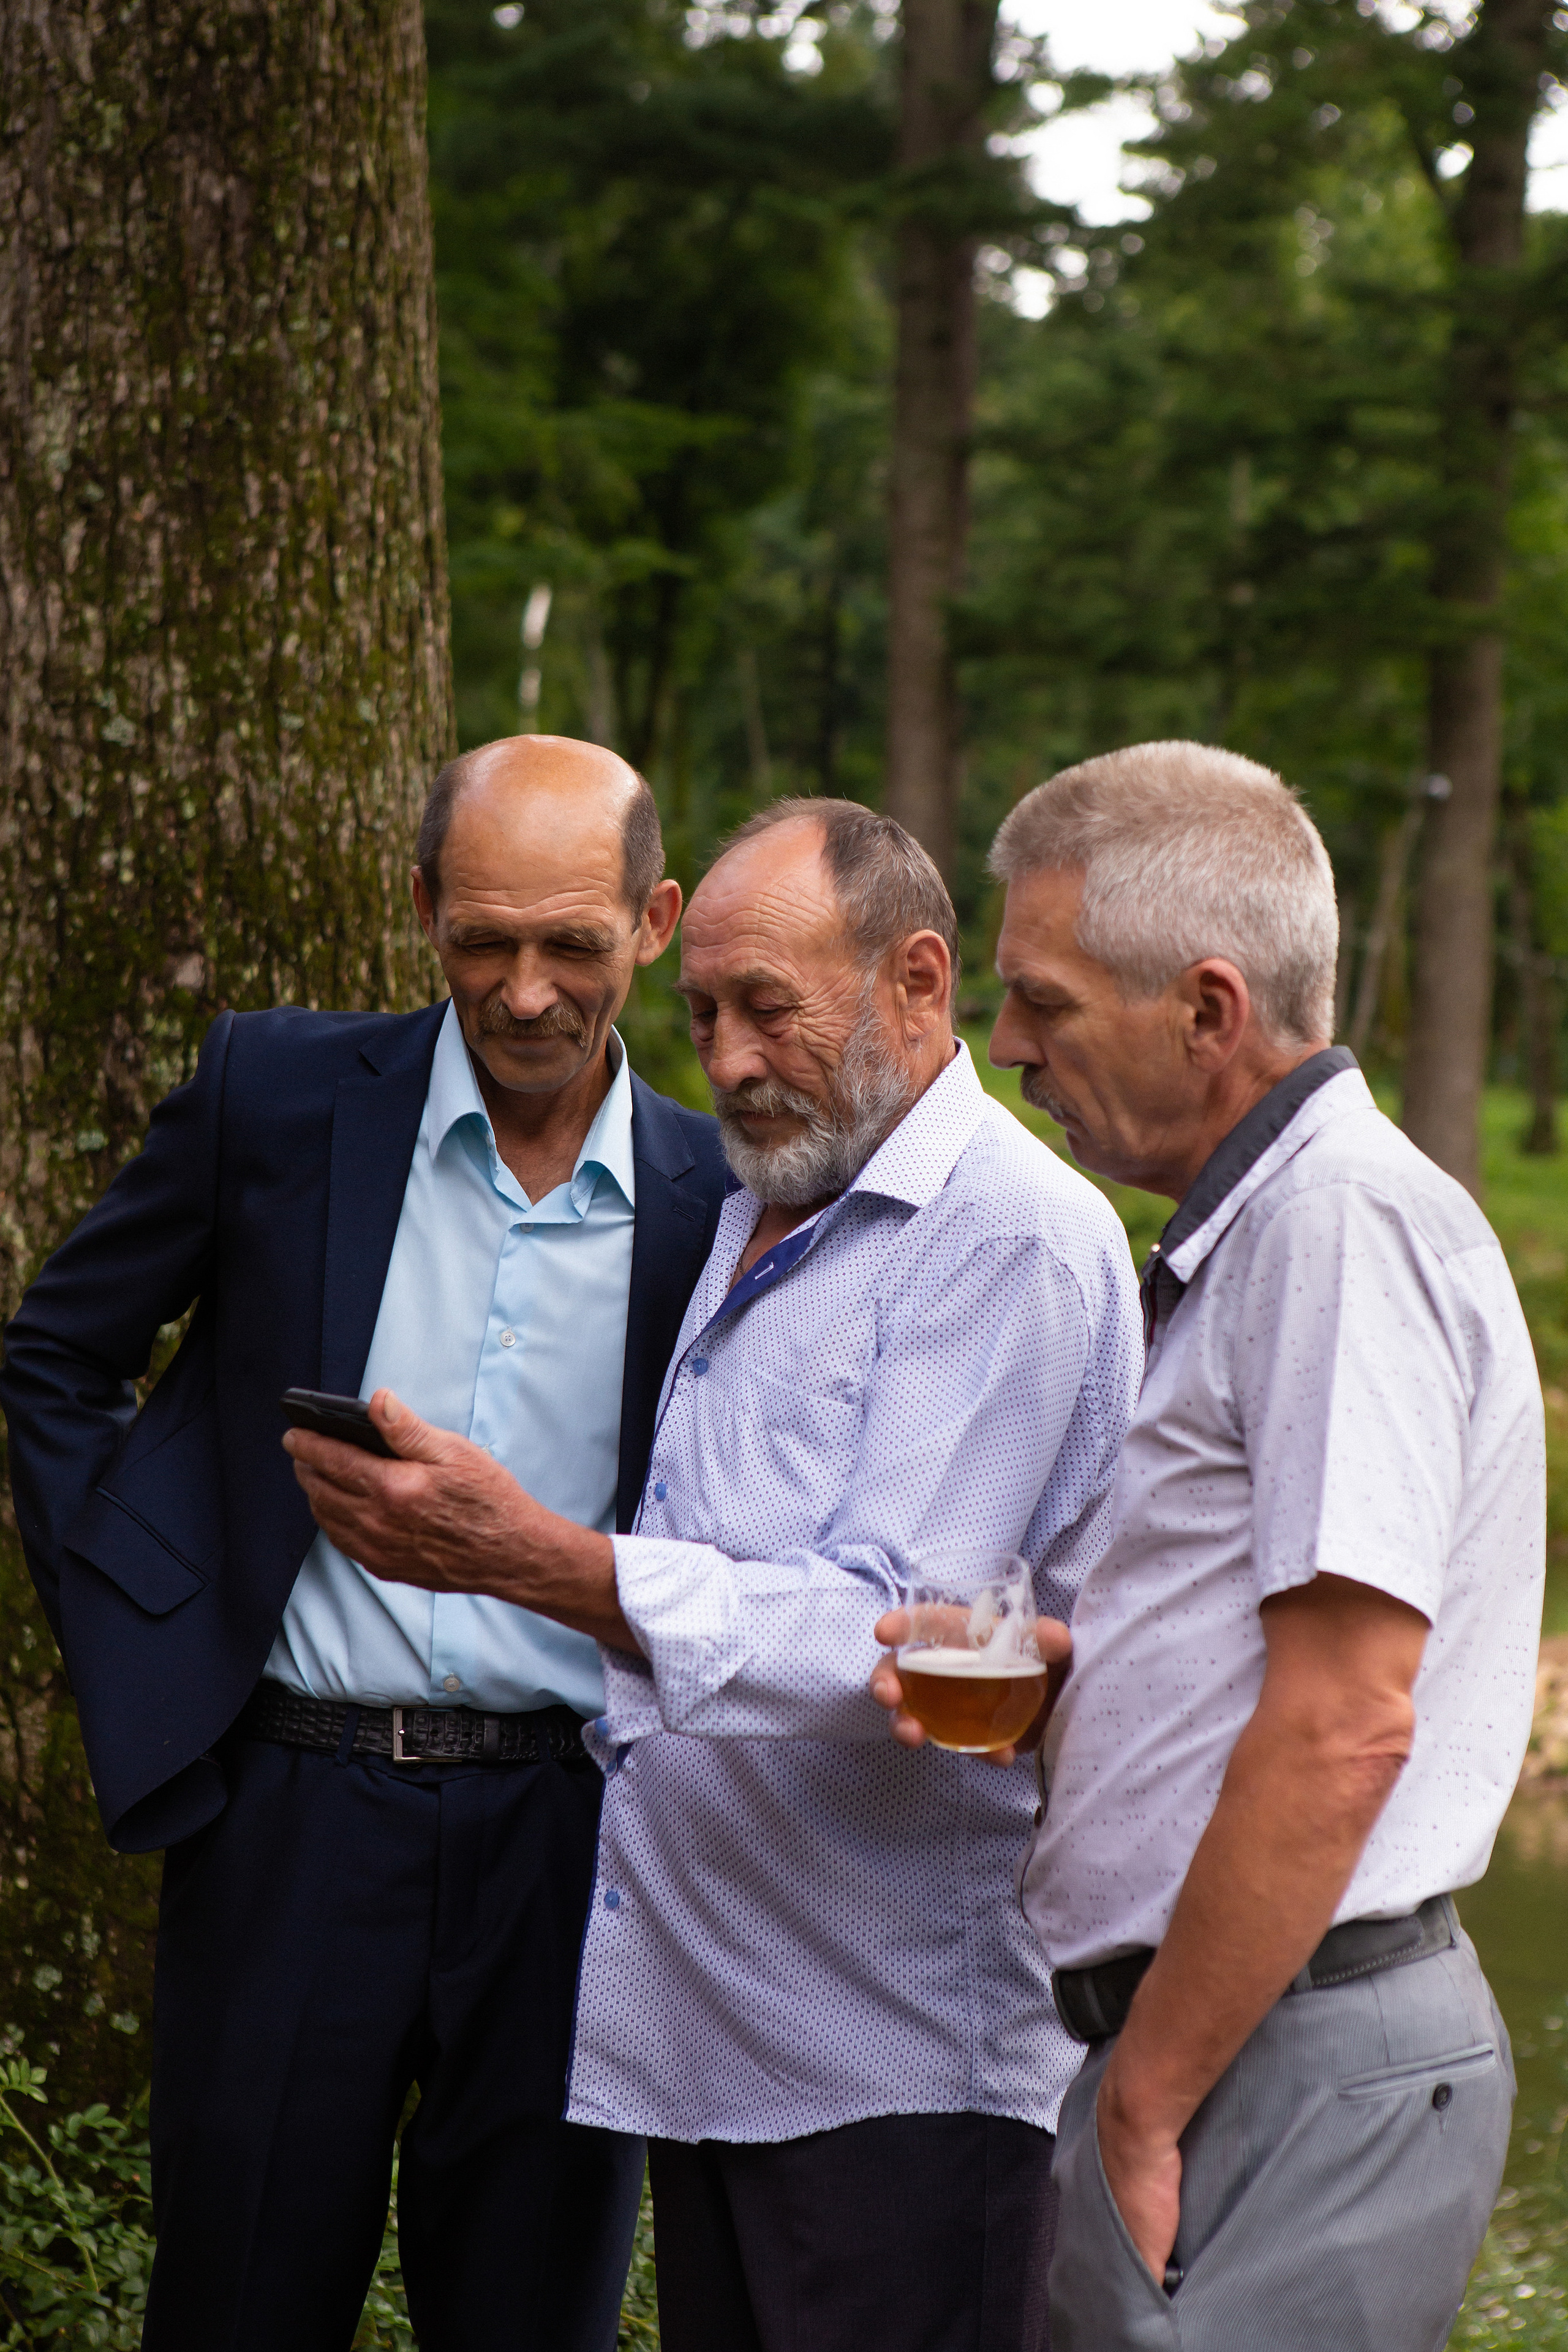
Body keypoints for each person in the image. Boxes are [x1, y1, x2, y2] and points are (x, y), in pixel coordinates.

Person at [287, 797, 1144, 2352]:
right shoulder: (767, 1197)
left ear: (915, 978)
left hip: (898, 2067)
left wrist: (540, 1561)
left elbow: (885, 1628)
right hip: (716, 2046)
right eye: (701, 1015)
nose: (730, 1061)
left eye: (770, 1009)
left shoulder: (1006, 1235)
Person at [0, 736, 729, 2352]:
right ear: (420, 909)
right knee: (236, 2305)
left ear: (655, 920)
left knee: (530, 2317)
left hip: (578, 1848)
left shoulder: (722, 1198)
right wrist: (139, 1626)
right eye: (482, 940)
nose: (524, 993)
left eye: (571, 945)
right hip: (288, 1819)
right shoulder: (272, 1097)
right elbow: (58, 1353)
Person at [873, 741, 1545, 2352]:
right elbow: (1279, 1655)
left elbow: (1345, 1722)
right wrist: (1091, 1685)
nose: (1006, 1044)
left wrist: (1146, 2104)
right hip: (1251, 2041)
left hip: (1275, 2054)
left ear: (1208, 1010)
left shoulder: (1335, 1226)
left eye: (1042, 1000)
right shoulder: (1276, 1229)